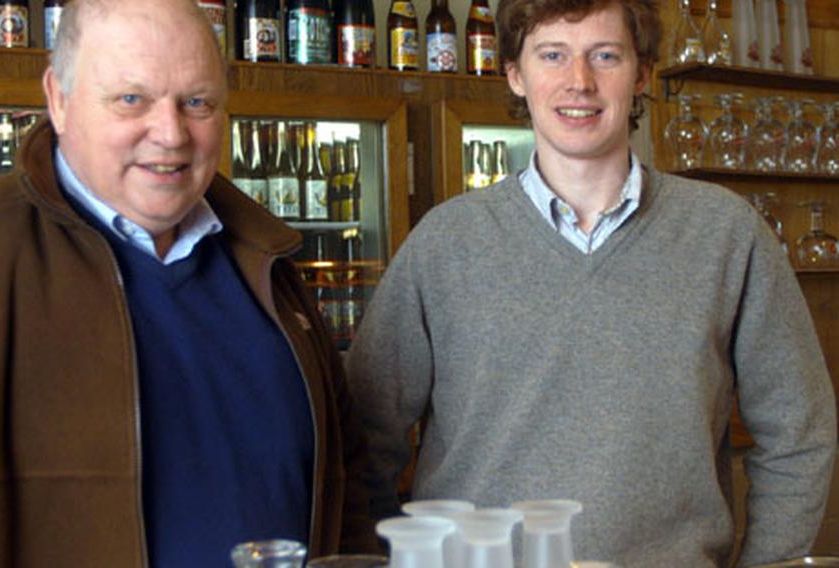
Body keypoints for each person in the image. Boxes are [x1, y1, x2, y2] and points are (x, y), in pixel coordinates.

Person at [345, 0, 837, 566]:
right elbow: (360, 441)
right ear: (514, 74)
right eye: (552, 55)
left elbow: (799, 432)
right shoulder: (445, 243)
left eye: (605, 55)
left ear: (643, 73)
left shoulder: (727, 234)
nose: (579, 82)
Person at [0, 0, 374, 565]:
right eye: (131, 99)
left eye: (197, 102)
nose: (170, 134)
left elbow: (347, 488)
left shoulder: (270, 261)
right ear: (58, 100)